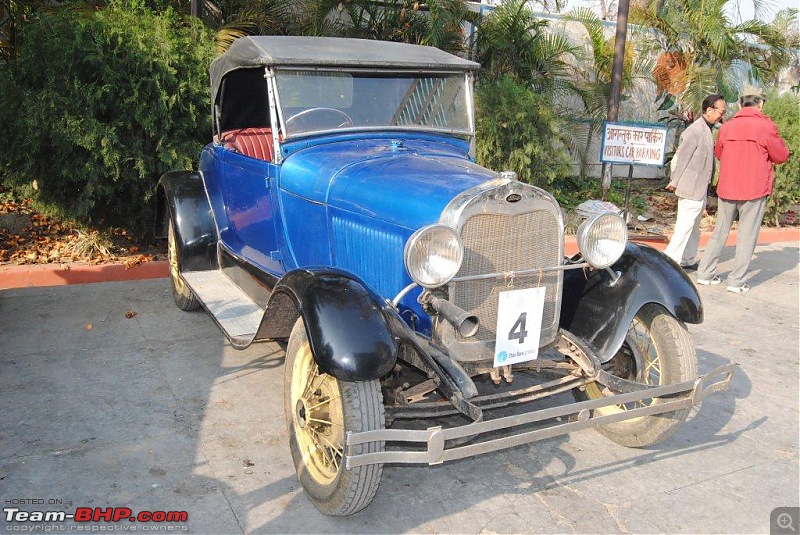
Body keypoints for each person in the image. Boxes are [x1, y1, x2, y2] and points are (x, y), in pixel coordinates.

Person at [696, 85, 790, 293]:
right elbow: (781, 156)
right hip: (754, 189)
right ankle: (736, 281)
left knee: (720, 231)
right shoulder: (766, 127)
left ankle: (705, 273)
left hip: (728, 187)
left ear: (740, 104)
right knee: (747, 235)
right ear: (761, 103)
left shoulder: (727, 127)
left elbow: (719, 153)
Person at [663, 94, 727, 270]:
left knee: (694, 227)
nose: (723, 115)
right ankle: (670, 262)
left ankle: (688, 259)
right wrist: (674, 181)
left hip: (700, 188)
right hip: (690, 187)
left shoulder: (707, 129)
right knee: (684, 226)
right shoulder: (695, 131)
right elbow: (681, 158)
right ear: (709, 110)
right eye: (721, 111)